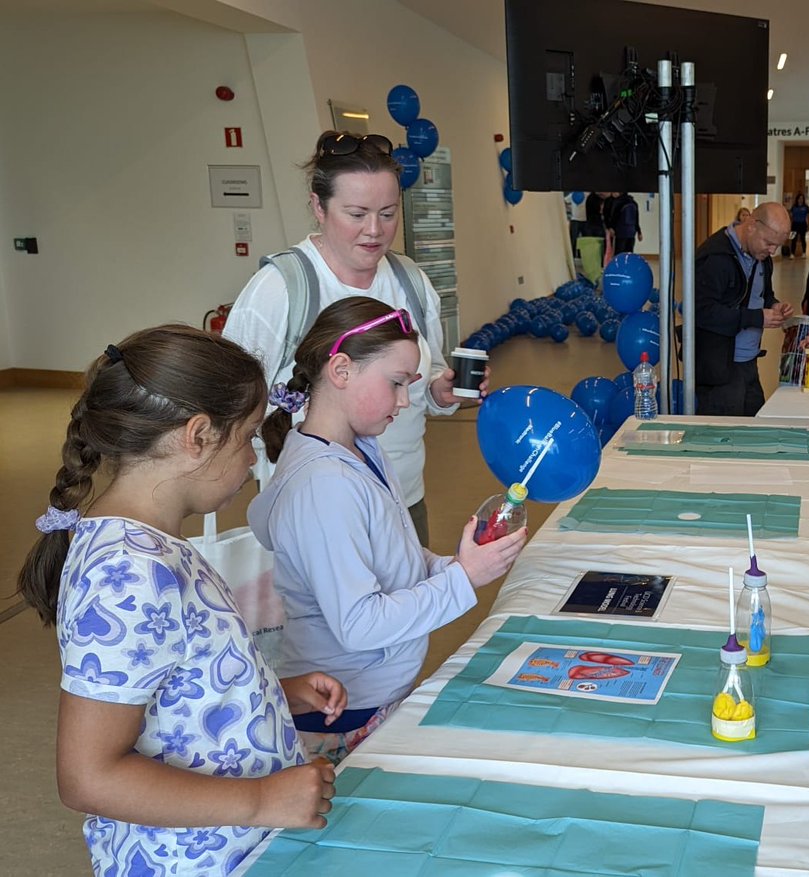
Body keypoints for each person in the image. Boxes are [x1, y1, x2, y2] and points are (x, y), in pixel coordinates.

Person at [17, 326, 347, 875]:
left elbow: (170, 678)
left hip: (232, 847)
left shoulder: (154, 546)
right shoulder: (129, 573)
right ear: (196, 436)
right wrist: (262, 800)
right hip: (187, 861)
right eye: (245, 438)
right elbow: (88, 776)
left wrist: (266, 693)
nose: (250, 459)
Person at [250, 296, 526, 763]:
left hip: (374, 695)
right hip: (343, 714)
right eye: (396, 383)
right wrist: (463, 580)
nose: (404, 401)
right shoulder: (325, 486)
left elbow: (392, 553)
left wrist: (450, 564)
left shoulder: (361, 448)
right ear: (340, 370)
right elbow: (359, 624)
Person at [223, 131, 466, 548]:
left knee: (409, 608)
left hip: (402, 498)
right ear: (319, 206)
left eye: (388, 214)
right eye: (357, 214)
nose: (374, 230)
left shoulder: (410, 281)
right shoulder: (282, 288)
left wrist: (441, 391)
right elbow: (228, 396)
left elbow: (426, 377)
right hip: (316, 506)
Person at [694, 202, 795, 416]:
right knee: (725, 438)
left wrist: (774, 305)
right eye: (768, 243)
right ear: (751, 225)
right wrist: (756, 318)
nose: (772, 251)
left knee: (754, 429)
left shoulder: (761, 256)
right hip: (720, 367)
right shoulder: (715, 257)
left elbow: (762, 294)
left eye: (777, 246)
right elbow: (702, 312)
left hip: (749, 362)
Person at [789, 193, 809, 259]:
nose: (800, 200)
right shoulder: (794, 207)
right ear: (797, 199)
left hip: (802, 224)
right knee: (793, 239)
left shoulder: (806, 207)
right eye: (799, 198)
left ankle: (804, 253)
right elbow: (791, 216)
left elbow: (808, 216)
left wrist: (808, 225)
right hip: (795, 224)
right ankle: (792, 253)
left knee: (803, 239)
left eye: (802, 198)